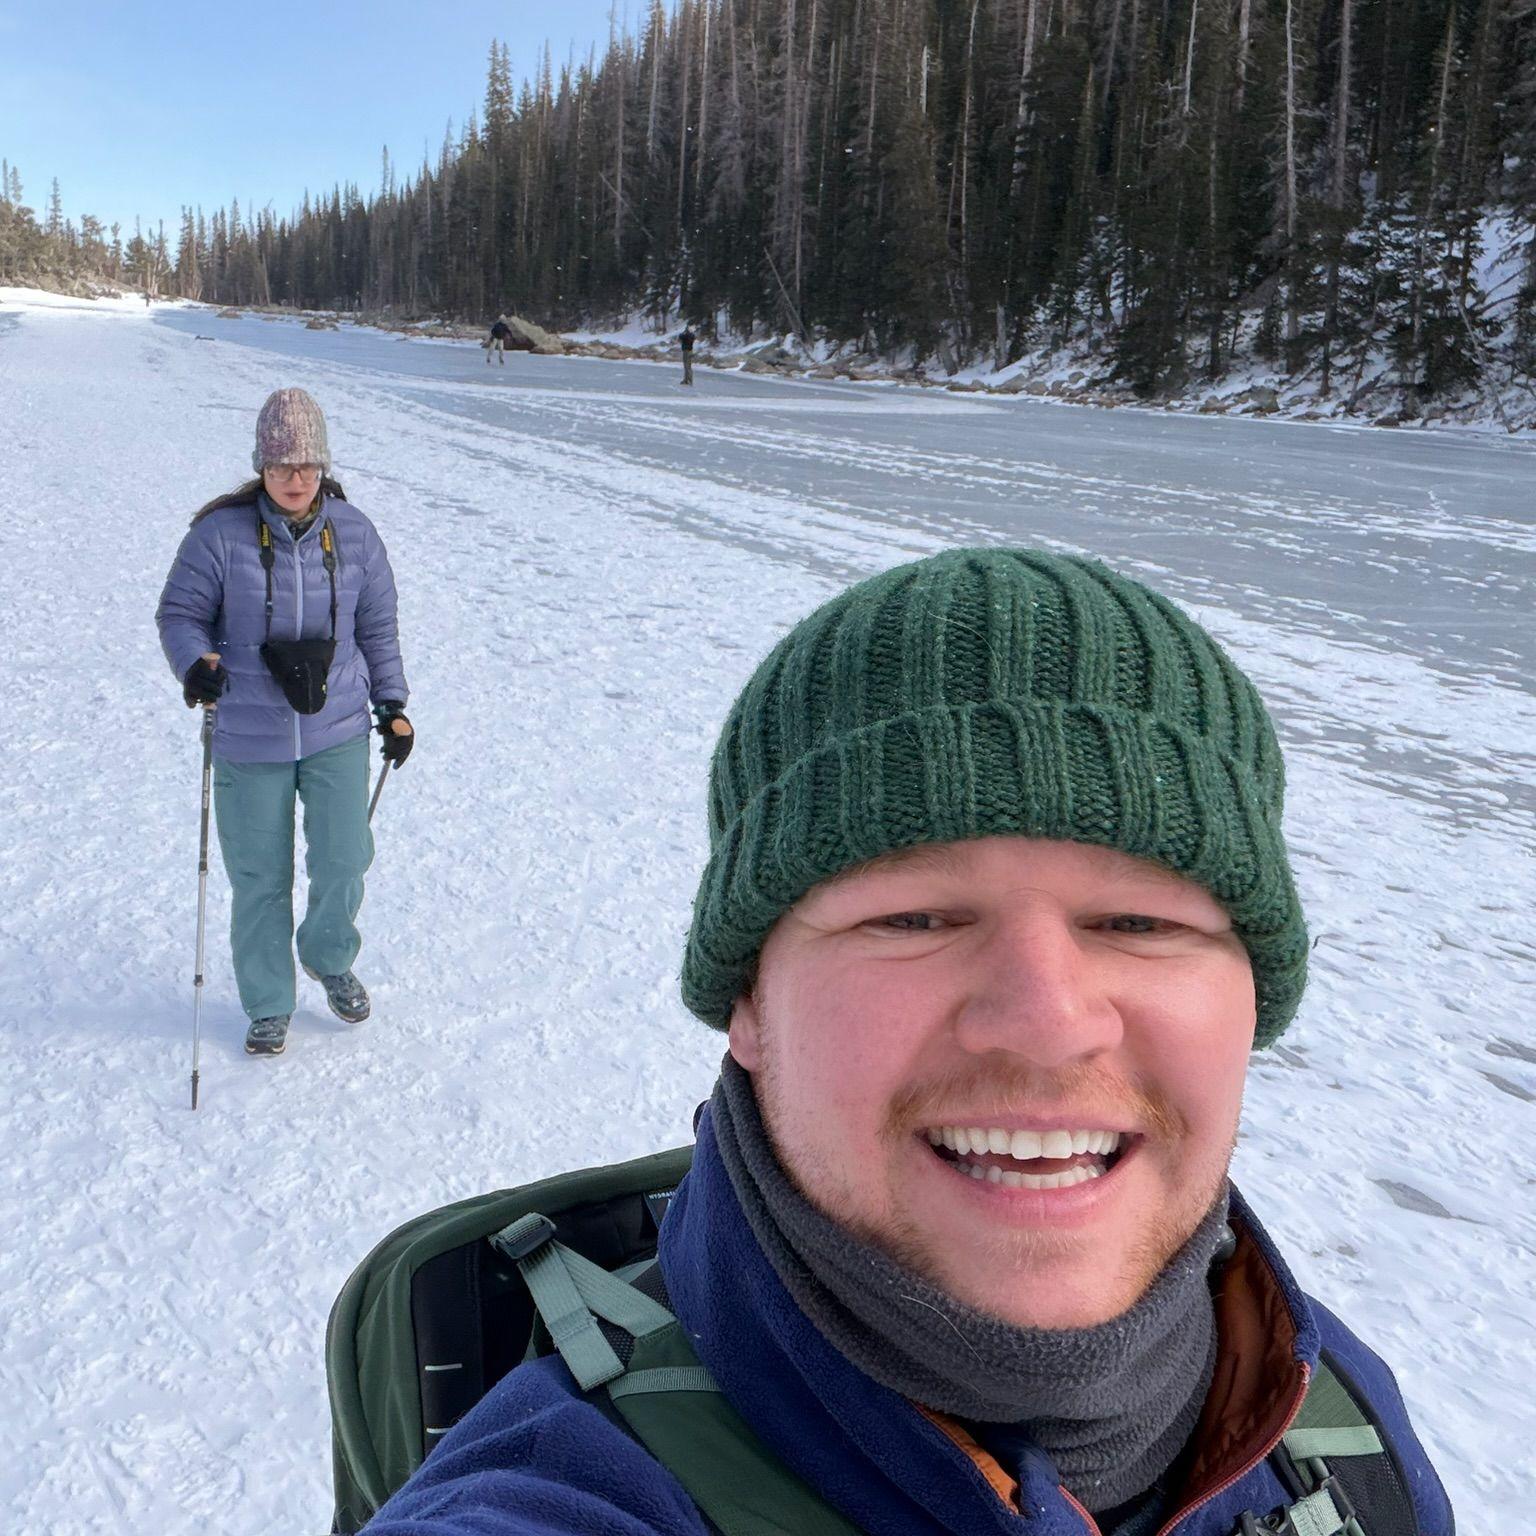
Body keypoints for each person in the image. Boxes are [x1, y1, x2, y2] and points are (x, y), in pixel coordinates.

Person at [364, 549, 1453, 1534]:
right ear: (749, 1001)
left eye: (1140, 922)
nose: (1046, 1022)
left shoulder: (1344, 1427)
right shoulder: (555, 1501)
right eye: (915, 917)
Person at [156, 388, 414, 1058]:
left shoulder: (355, 534)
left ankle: (327, 955)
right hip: (248, 734)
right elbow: (180, 614)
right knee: (259, 879)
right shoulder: (219, 535)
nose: (295, 479)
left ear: (322, 465)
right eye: (280, 466)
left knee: (345, 858)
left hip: (337, 728)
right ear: (261, 467)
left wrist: (392, 705)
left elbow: (377, 627)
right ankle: (269, 1002)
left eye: (306, 465)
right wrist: (195, 664)